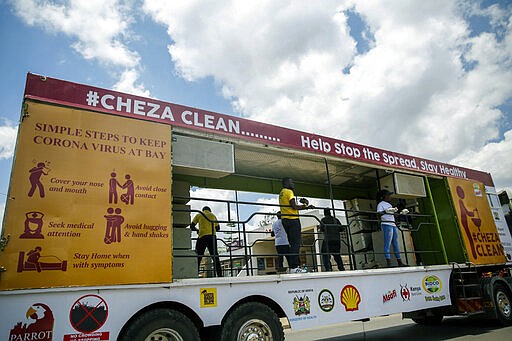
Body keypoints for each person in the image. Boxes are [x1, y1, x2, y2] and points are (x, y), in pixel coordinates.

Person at [279, 177, 313, 273]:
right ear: (286, 183)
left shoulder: (281, 193)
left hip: (285, 220)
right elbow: (294, 206)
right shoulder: (289, 192)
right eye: (291, 182)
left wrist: (303, 204)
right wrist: (306, 206)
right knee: (295, 244)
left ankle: (293, 267)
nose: (293, 184)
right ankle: (294, 267)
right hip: (293, 220)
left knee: (292, 244)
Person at [190, 206, 222, 277]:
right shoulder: (213, 215)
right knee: (215, 256)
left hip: (202, 237)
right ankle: (220, 274)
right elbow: (218, 228)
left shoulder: (199, 214)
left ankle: (195, 274)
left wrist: (197, 230)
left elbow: (192, 226)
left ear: (203, 210)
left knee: (199, 256)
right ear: (209, 210)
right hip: (212, 237)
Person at [377, 189, 406, 267]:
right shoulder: (381, 204)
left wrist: (401, 213)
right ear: (383, 197)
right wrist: (387, 211)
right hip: (386, 224)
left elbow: (393, 215)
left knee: (395, 243)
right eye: (388, 195)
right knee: (388, 243)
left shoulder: (389, 205)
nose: (390, 197)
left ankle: (399, 262)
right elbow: (379, 214)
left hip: (392, 224)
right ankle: (389, 263)